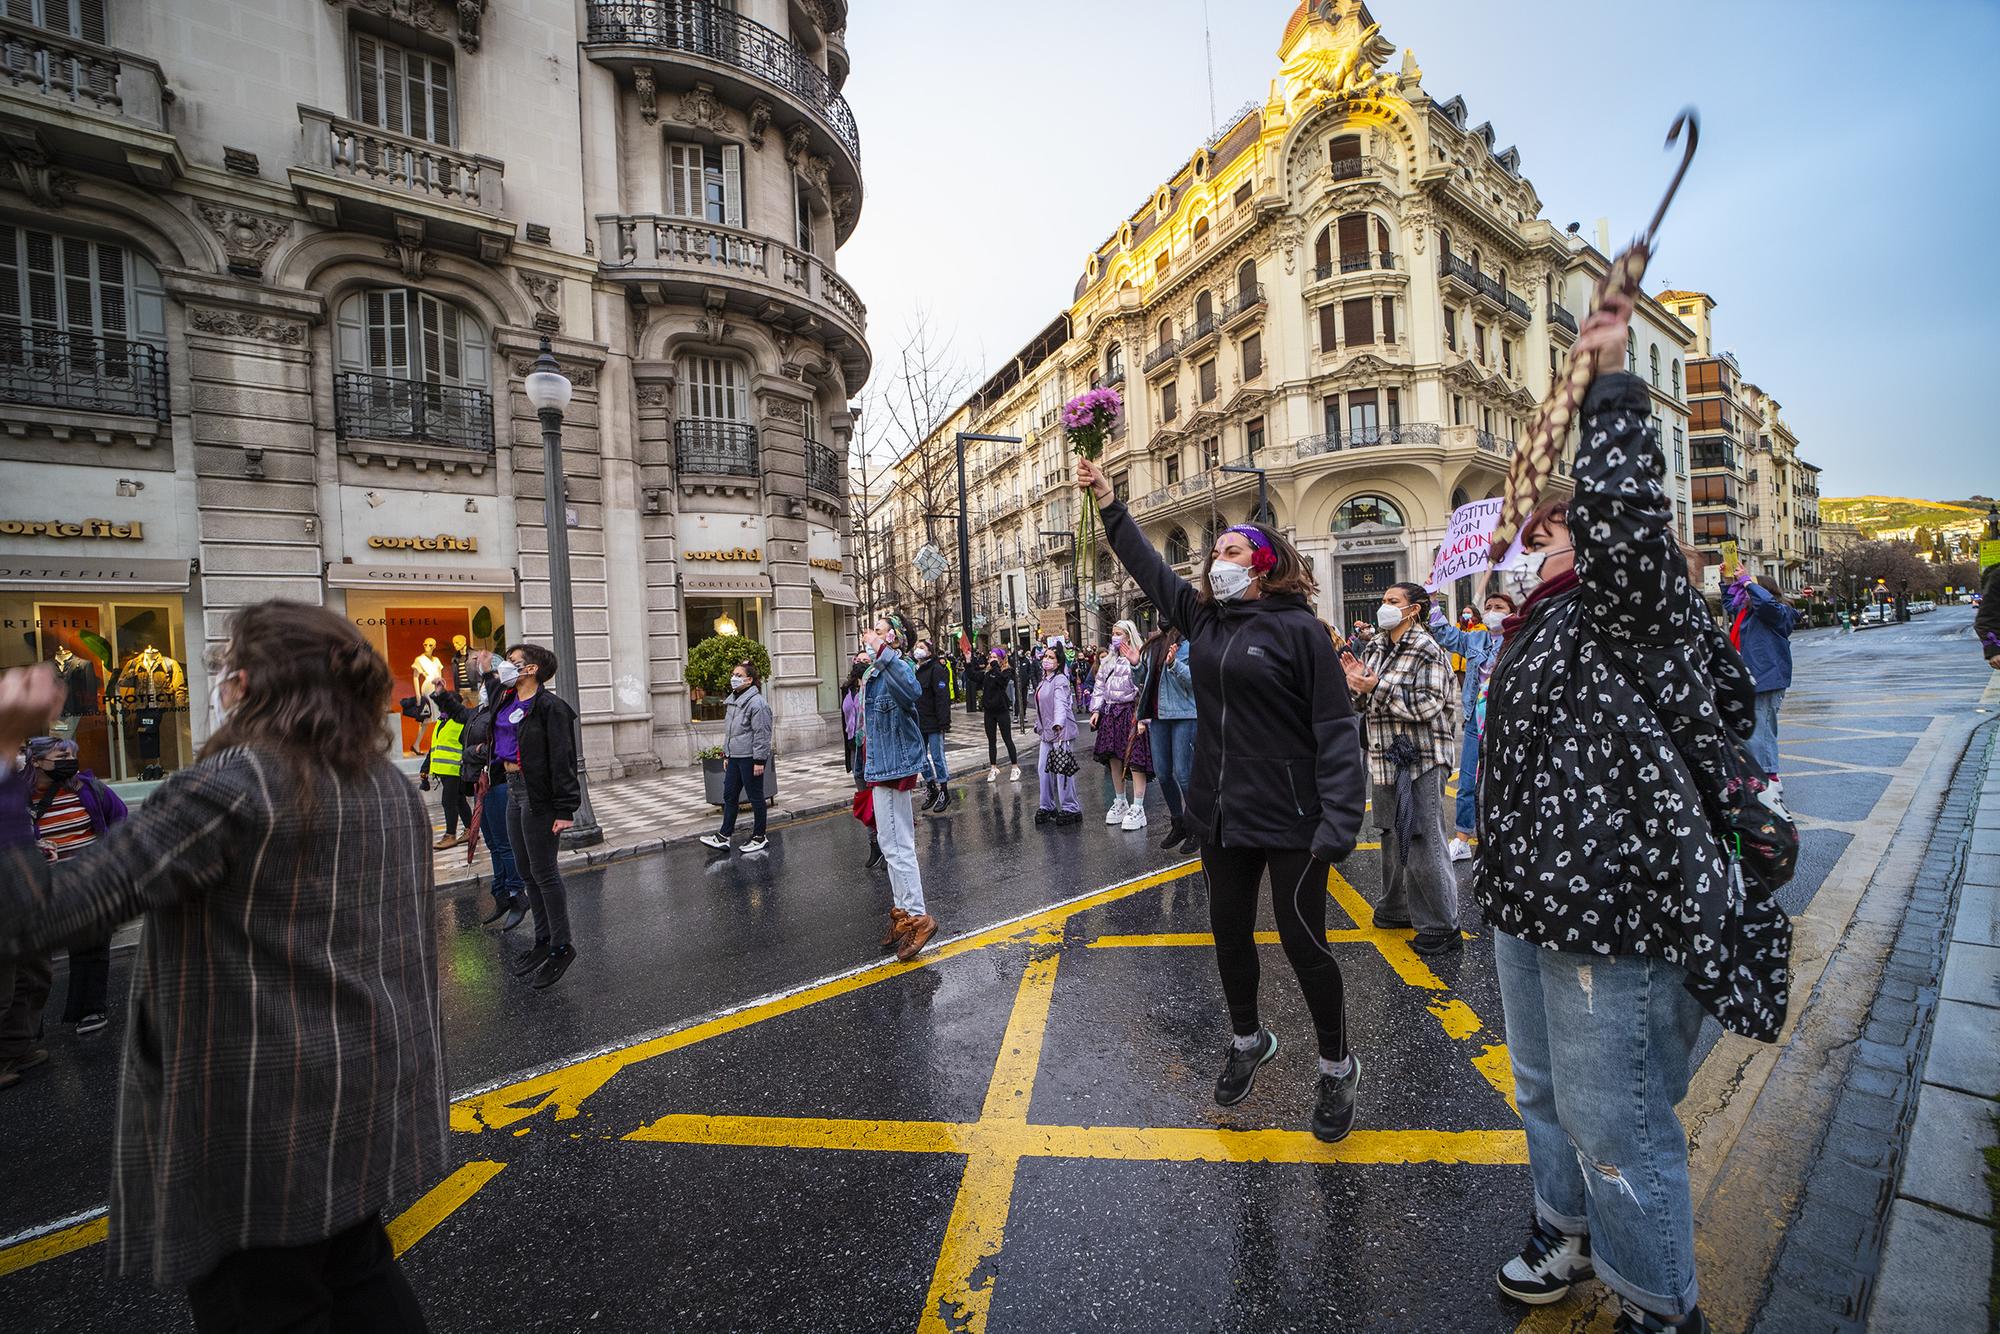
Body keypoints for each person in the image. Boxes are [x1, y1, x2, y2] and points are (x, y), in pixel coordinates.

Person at [0, 601, 444, 1330]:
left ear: (247, 686)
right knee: (359, 1275)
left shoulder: (232, 787)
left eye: (225, 665)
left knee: (264, 1303)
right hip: (365, 1100)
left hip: (256, 1127)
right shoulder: (386, 783)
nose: (217, 681)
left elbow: (32, 916)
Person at [1477, 289, 1786, 1334]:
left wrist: (1606, 380)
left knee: (1617, 1120)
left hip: (1611, 914)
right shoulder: (1537, 623)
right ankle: (1562, 1231)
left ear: (1582, 531)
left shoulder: (1628, 603)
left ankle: (1658, 1307)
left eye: (1541, 526)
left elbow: (1622, 513)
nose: (1526, 542)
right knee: (1541, 1092)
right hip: (1525, 904)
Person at [1078, 457, 1369, 1143]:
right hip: (1223, 814)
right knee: (1229, 933)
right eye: (1213, 554)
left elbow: (1333, 728)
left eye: (1231, 552)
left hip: (1294, 817)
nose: (1216, 562)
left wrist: (1341, 819)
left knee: (1303, 943)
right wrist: (1108, 502)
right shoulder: (1201, 622)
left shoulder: (1300, 631)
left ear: (1262, 564)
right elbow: (1149, 567)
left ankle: (1336, 1064)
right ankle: (1247, 1039)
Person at [1343, 583, 1460, 956]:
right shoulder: (1376, 646)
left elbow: (1428, 704)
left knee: (1423, 837)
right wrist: (1358, 687)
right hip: (1384, 757)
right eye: (1383, 601)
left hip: (1421, 758)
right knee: (1392, 833)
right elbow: (1365, 702)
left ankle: (1442, 925)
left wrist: (1375, 686)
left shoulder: (1428, 649)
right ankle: (1397, 908)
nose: (1384, 607)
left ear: (1414, 610)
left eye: (1393, 602)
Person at [27, 735, 128, 1037]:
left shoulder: (87, 789)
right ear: (36, 762)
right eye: (60, 758)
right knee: (33, 964)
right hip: (42, 887)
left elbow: (120, 815)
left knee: (92, 949)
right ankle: (26, 1030)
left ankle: (90, 1009)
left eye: (71, 756)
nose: (69, 763)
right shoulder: (17, 798)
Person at [497, 642, 582, 989]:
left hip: (540, 797)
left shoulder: (551, 708)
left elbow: (563, 759)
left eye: (513, 663)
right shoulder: (507, 702)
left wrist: (565, 809)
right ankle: (543, 940)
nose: (506, 667)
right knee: (525, 871)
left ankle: (562, 946)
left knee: (545, 872)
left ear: (531, 669)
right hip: (512, 790)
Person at [861, 612, 938, 960]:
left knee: (899, 846)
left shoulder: (900, 666)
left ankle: (918, 918)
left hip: (894, 768)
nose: (870, 636)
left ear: (892, 639)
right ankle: (903, 913)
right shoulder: (877, 672)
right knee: (888, 844)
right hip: (880, 767)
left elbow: (911, 690)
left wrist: (882, 653)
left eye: (878, 632)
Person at [432, 655, 527, 928]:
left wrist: (474, 753)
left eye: (490, 683)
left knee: (505, 843)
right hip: (480, 786)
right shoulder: (480, 711)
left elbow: (499, 747)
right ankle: (502, 894)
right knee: (493, 843)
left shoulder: (502, 709)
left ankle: (517, 893)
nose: (484, 687)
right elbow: (462, 715)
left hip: (497, 785)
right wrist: (442, 696)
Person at [1427, 591, 1519, 862]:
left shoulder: (1520, 639)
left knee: (1506, 779)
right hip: (1474, 721)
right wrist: (1433, 603)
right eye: (1488, 606)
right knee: (1467, 781)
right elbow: (1444, 634)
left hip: (1506, 721)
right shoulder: (1475, 638)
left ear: (1511, 612)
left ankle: (1504, 835)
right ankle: (1463, 838)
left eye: (1499, 607)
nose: (1492, 610)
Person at [1726, 572, 1798, 815]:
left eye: (1750, 591)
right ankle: (1764, 778)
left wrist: (1747, 581)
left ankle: (1770, 779)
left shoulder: (1778, 612)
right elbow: (1730, 603)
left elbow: (1766, 603)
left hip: (1767, 679)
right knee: (1756, 731)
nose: (1745, 595)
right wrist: (1729, 580)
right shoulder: (1748, 613)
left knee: (1762, 731)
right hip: (1754, 678)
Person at [701, 658, 773, 854]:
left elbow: (762, 733)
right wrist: (727, 754)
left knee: (756, 797)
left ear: (749, 680)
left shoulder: (757, 704)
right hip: (735, 757)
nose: (734, 678)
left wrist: (760, 760)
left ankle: (760, 836)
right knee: (730, 795)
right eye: (733, 675)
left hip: (750, 757)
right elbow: (731, 731)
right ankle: (724, 836)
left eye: (738, 675)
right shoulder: (733, 701)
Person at [1138, 627, 1197, 852]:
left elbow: (1194, 682)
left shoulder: (1189, 643)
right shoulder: (1154, 644)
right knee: (1162, 773)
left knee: (1183, 774)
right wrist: (1136, 664)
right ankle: (1178, 822)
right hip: (1158, 715)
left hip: (1184, 714)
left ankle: (1195, 827)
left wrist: (1174, 665)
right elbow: (1144, 681)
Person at [1091, 620, 1153, 830]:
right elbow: (1099, 686)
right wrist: (1096, 710)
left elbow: (1145, 686)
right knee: (1114, 759)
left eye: (1119, 633)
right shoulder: (1108, 661)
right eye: (1113, 633)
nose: (1115, 636)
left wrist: (1143, 717)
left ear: (1128, 635)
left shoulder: (1138, 656)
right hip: (1111, 712)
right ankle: (1120, 801)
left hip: (1131, 712)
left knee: (1135, 761)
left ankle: (1138, 806)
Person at [1032, 645, 1082, 825]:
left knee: (1063, 771)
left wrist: (1058, 724)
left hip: (1061, 732)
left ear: (1058, 662)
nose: (1047, 659)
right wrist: (1037, 725)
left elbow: (1061, 703)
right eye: (1045, 656)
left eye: (1051, 657)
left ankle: (1070, 808)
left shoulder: (1060, 680)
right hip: (1046, 733)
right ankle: (1047, 806)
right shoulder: (1043, 681)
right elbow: (1041, 707)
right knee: (1043, 770)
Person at [420, 702, 471, 850]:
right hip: (443, 769)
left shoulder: (460, 722)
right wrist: (425, 767)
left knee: (448, 802)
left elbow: (467, 743)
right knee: (459, 800)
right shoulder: (441, 722)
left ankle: (450, 835)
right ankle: (470, 829)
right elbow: (434, 748)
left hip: (454, 768)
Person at [912, 637, 954, 814]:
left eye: (921, 647)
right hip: (919, 722)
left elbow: (942, 697)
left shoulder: (937, 669)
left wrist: (944, 722)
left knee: (937, 757)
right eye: (916, 647)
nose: (918, 650)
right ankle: (931, 787)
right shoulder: (915, 670)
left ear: (929, 651)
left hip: (935, 722)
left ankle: (944, 790)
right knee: (921, 758)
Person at [981, 650, 1021, 782]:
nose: (991, 659)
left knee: (1007, 738)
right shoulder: (987, 673)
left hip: (1001, 709)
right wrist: (969, 662)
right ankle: (993, 768)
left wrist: (996, 667)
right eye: (990, 657)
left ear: (1001, 659)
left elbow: (1003, 681)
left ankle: (1015, 767)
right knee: (991, 740)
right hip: (989, 711)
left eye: (994, 657)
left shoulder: (1006, 671)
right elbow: (973, 676)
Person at [840, 658, 866, 777]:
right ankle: (863, 795)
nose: (860, 663)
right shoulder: (847, 688)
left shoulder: (872, 686)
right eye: (858, 660)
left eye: (865, 660)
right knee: (858, 774)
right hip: (853, 740)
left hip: (868, 740)